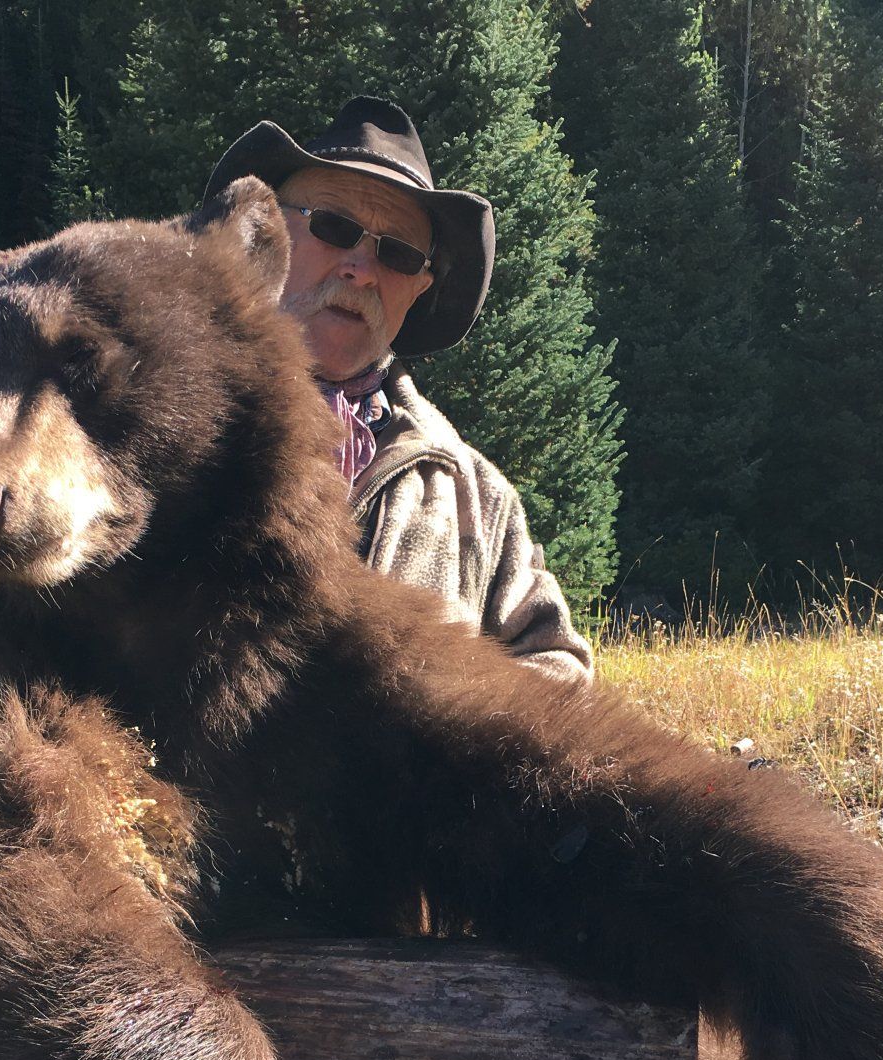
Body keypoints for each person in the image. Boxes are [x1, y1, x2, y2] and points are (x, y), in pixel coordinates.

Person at [205, 96, 593, 682]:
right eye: (334, 227)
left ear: (420, 288)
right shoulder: (164, 427)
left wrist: (443, 718)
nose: (361, 269)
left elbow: (559, 666)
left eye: (399, 254)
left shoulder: (474, 493)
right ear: (263, 234)